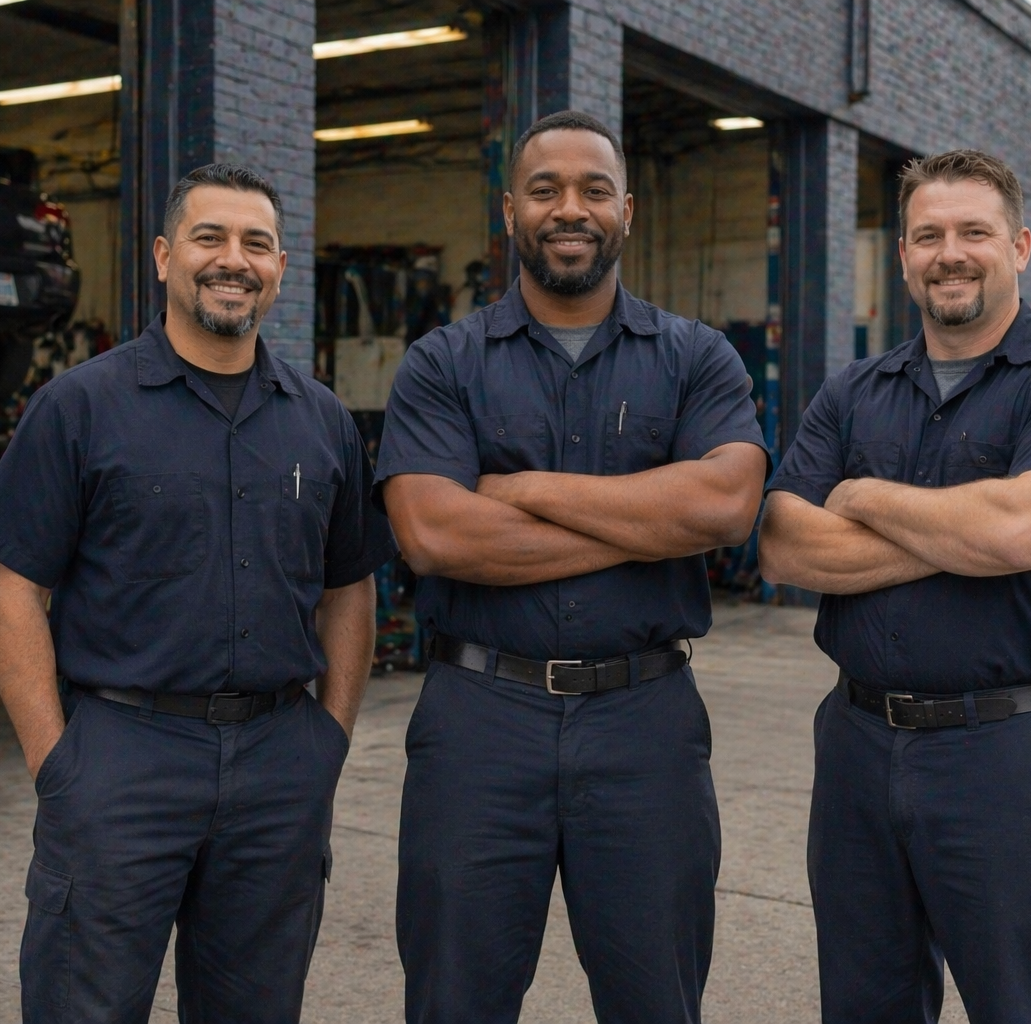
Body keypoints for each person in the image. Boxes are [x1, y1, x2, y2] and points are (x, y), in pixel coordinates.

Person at [0, 163, 396, 1024]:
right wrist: (60, 766)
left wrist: (327, 740)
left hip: (280, 763)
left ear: (278, 268)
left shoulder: (323, 421)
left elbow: (350, 588)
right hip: (122, 756)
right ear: (164, 257)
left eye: (256, 244)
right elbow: (10, 591)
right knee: (84, 1006)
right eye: (210, 238)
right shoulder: (80, 408)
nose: (232, 260)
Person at [374, 109, 769, 1024]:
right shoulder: (443, 363)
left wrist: (519, 490)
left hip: (646, 724)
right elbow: (435, 535)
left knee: (656, 1001)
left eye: (594, 189)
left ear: (626, 209)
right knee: (454, 1001)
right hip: (478, 722)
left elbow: (723, 507)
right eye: (545, 189)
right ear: (511, 208)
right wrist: (647, 523)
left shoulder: (696, 357)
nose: (570, 208)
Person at [758, 149, 1031, 1023]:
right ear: (902, 256)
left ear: (1019, 247)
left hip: (1005, 753)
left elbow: (1021, 530)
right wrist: (972, 533)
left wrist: (862, 499)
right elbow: (781, 546)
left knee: (1025, 1006)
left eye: (974, 232)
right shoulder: (856, 390)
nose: (950, 253)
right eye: (928, 236)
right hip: (856, 744)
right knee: (864, 1005)